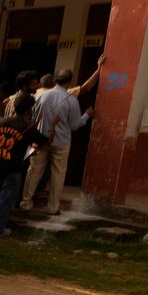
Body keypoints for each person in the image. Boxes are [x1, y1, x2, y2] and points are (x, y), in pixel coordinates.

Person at [20, 63, 99, 216]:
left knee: (34, 171)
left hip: (41, 139)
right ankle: (53, 207)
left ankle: (26, 202)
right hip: (61, 142)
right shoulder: (71, 100)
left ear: (55, 80)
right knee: (58, 174)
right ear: (69, 82)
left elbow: (33, 118)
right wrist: (86, 116)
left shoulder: (40, 96)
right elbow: (75, 125)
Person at [0, 93, 48, 235]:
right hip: (14, 169)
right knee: (6, 200)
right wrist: (52, 126)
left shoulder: (0, 122)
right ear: (29, 110)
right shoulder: (27, 128)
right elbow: (44, 141)